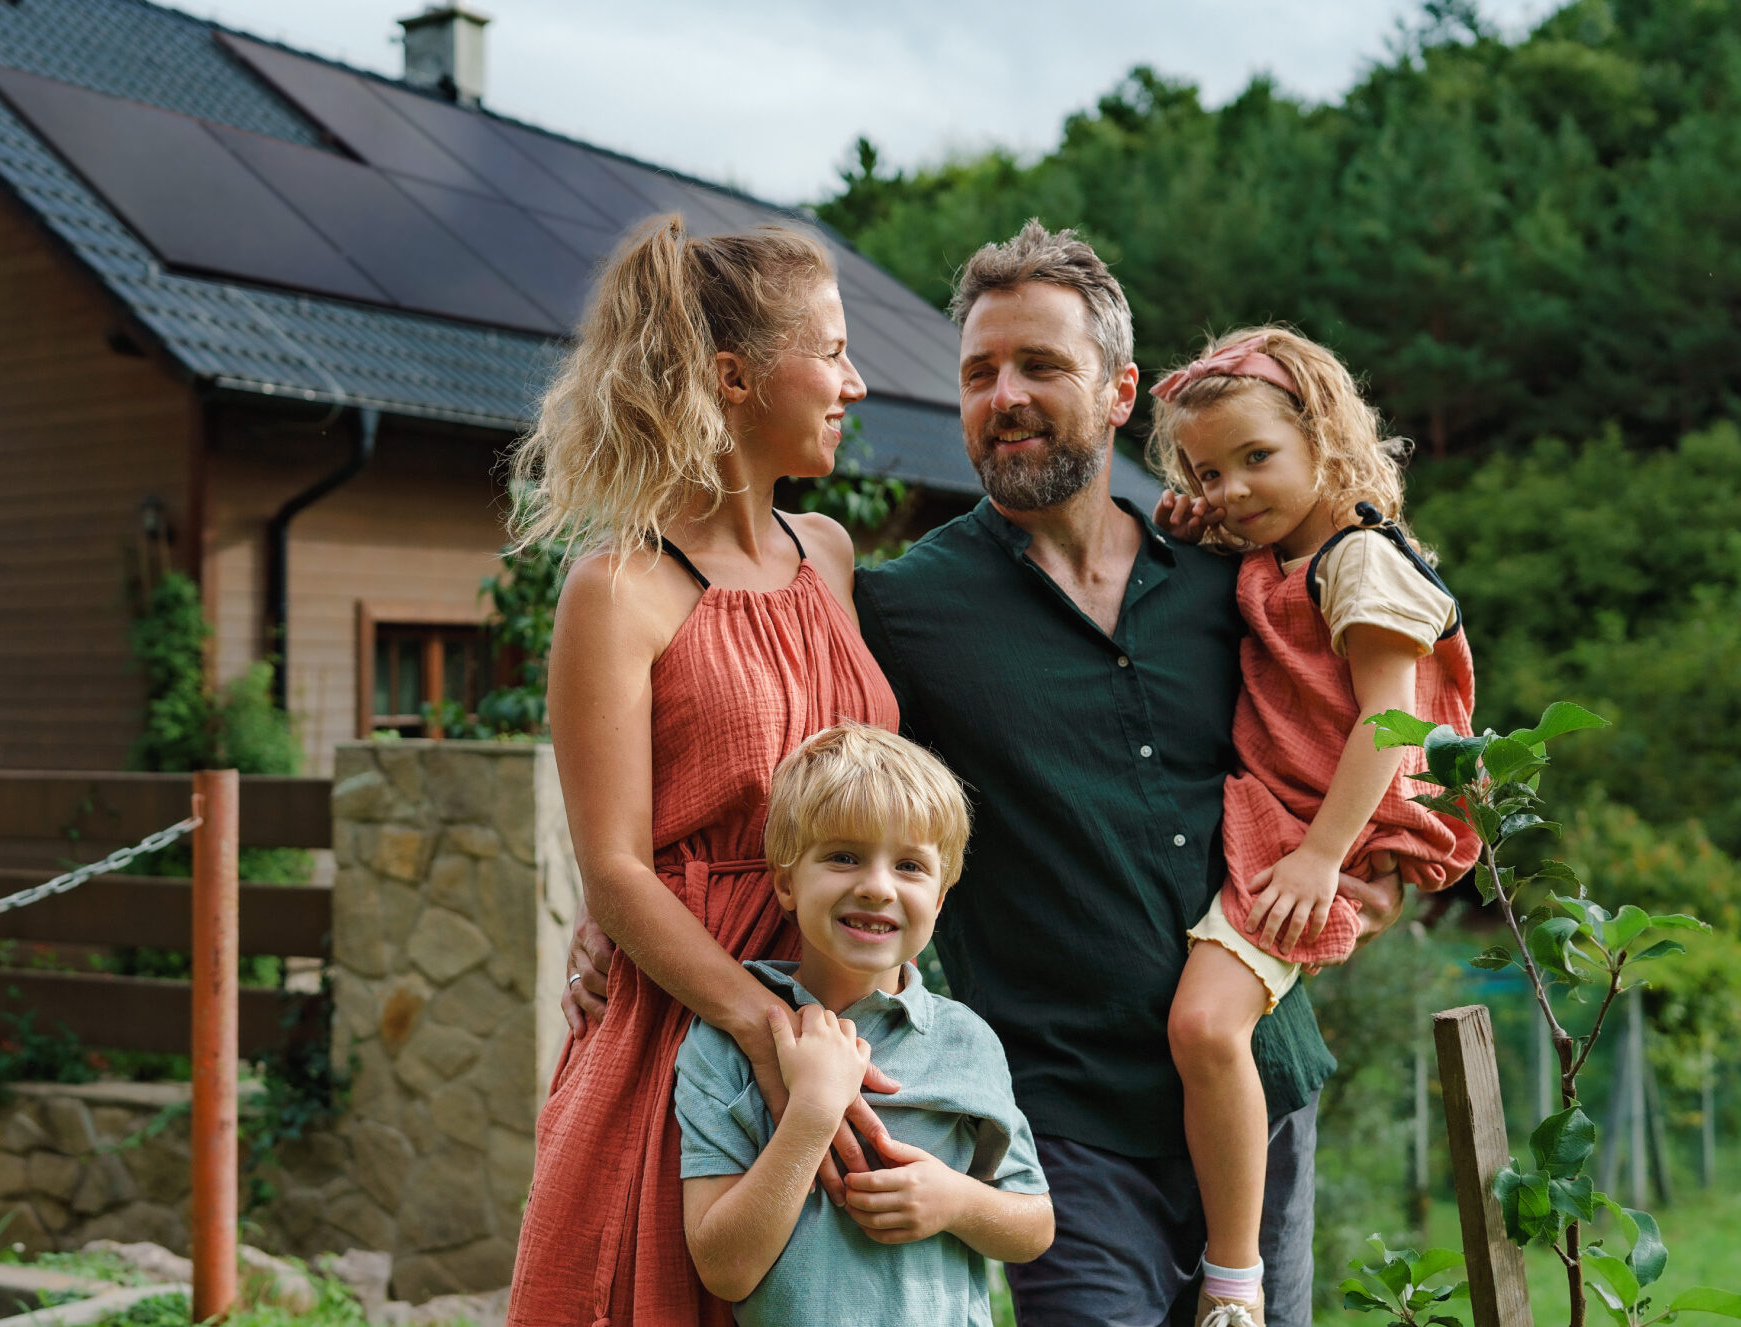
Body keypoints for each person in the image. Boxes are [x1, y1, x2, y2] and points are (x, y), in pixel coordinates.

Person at [850, 222, 1402, 1327]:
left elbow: (1380, 695)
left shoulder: (1228, 573)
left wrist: (1381, 868)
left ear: (1118, 391)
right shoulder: (905, 609)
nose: (1003, 395)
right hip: (1063, 1119)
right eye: (978, 373)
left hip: (1259, 1087)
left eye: (1040, 366)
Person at [506, 214, 902, 1327]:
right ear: (734, 377)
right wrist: (765, 1034)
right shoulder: (619, 588)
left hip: (842, 1011)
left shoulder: (828, 552)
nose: (855, 382)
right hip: (689, 1032)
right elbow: (618, 868)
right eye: (829, 351)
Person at [1144, 328, 1480, 1326]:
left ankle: (1235, 1283)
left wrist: (1323, 857)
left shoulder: (1360, 561)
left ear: (1326, 440)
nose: (1234, 489)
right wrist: (1190, 527)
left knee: (1205, 1025)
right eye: (1210, 471)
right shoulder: (1276, 550)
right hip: (1289, 810)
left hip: (1324, 824)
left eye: (1257, 458)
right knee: (1212, 1027)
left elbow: (1393, 719)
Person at [676, 722, 1052, 1325]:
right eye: (844, 857)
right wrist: (813, 1112)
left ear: (942, 894)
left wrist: (956, 1202)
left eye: (909, 866)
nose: (877, 887)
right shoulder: (724, 1042)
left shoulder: (965, 1040)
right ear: (786, 882)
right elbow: (724, 1269)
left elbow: (1033, 1227)